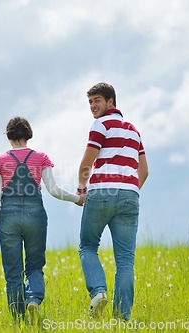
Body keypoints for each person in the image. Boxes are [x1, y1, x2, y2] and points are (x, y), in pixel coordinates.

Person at [0, 116, 85, 324]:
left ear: (9, 136)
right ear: (28, 134)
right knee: (34, 266)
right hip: (35, 214)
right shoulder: (41, 157)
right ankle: (33, 299)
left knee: (13, 272)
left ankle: (19, 322)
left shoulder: (0, 160)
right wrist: (77, 199)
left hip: (8, 217)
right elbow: (54, 190)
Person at [76, 83, 149, 320]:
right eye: (90, 102)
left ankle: (98, 292)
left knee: (88, 246)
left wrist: (81, 189)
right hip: (130, 196)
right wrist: (128, 190)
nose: (93, 106)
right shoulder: (134, 131)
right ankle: (122, 318)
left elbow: (88, 161)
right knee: (126, 261)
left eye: (97, 100)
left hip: (101, 192)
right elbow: (144, 171)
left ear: (111, 102)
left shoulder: (101, 125)